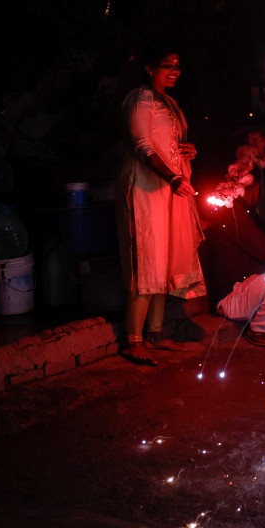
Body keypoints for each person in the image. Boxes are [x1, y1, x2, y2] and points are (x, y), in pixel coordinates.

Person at [115, 42, 206, 365]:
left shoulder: (167, 102)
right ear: (149, 68)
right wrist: (174, 178)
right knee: (147, 257)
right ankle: (133, 340)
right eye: (168, 65)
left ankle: (156, 334)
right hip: (145, 188)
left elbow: (168, 143)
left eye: (178, 66)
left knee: (163, 259)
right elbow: (143, 146)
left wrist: (186, 153)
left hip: (168, 188)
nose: (175, 72)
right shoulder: (140, 99)